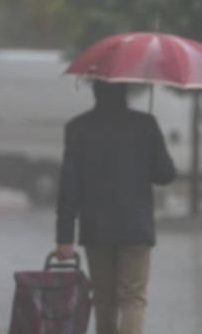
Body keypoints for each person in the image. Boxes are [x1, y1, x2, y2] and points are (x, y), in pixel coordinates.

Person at [55, 81, 176, 334]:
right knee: (132, 299)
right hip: (135, 227)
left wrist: (64, 236)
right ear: (126, 92)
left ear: (95, 91)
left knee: (103, 300)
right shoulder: (145, 125)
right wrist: (151, 151)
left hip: (97, 228)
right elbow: (165, 174)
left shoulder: (78, 128)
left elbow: (69, 186)